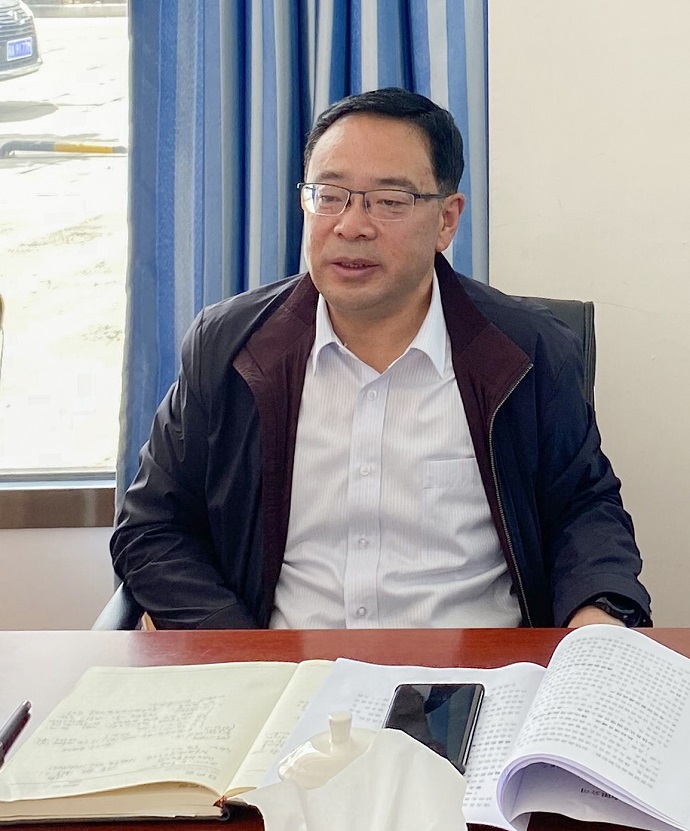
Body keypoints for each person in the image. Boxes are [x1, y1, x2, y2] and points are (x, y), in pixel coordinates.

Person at [111, 87, 651, 630]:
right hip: (289, 670)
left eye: (389, 201)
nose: (351, 226)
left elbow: (585, 510)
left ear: (446, 220)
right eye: (329, 196)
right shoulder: (228, 346)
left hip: (476, 670)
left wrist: (597, 614)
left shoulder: (530, 351)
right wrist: (243, 651)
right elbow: (153, 529)